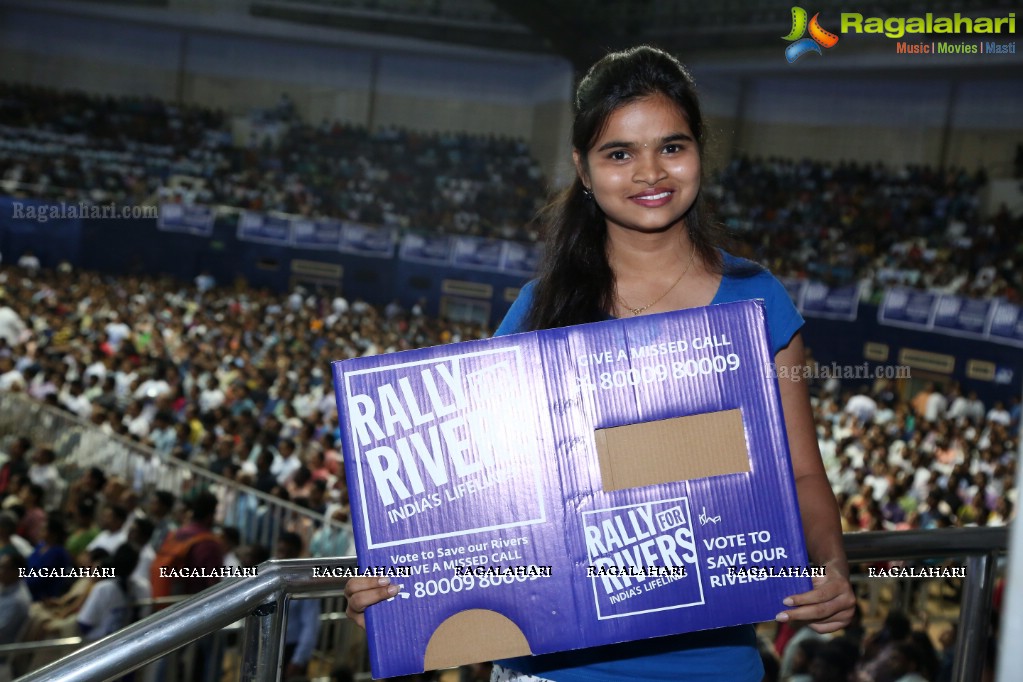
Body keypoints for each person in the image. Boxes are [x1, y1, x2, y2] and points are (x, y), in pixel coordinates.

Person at [344, 45, 855, 681]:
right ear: (584, 170)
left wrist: (830, 564)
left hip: (709, 666)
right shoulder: (540, 307)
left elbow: (802, 476)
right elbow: (479, 496)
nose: (650, 172)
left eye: (672, 146)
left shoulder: (757, 300)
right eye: (620, 153)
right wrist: (397, 592)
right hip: (553, 670)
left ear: (700, 153)